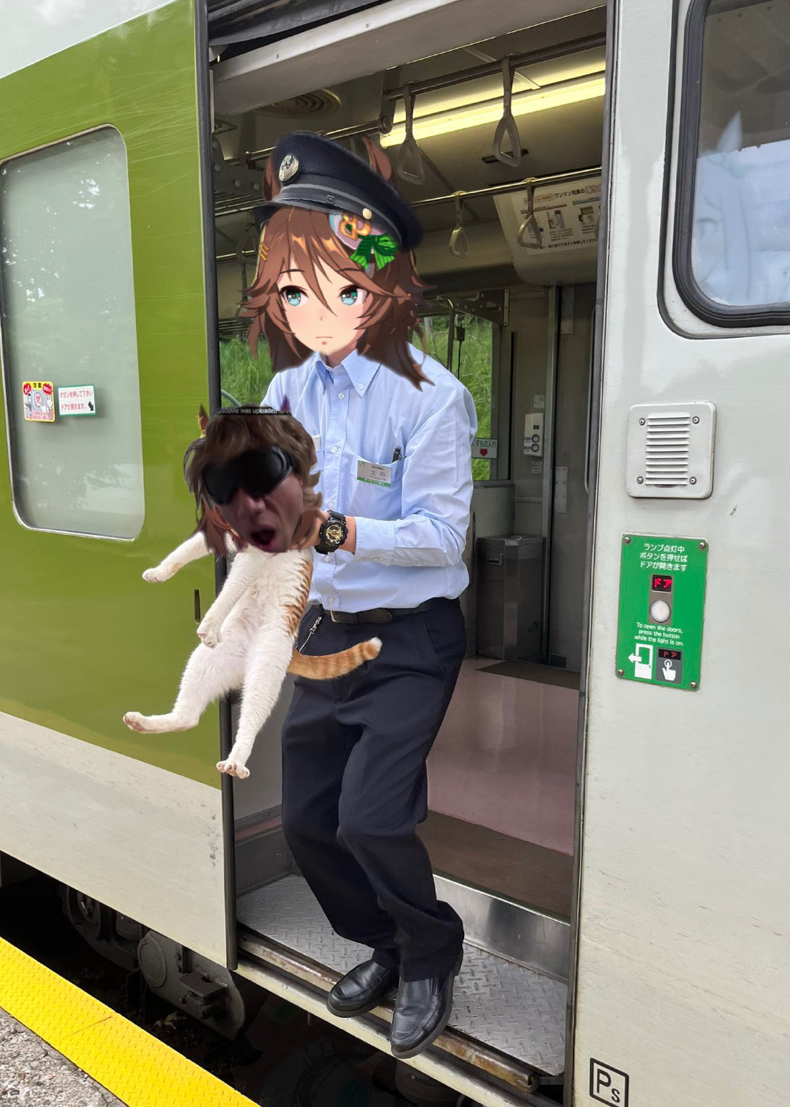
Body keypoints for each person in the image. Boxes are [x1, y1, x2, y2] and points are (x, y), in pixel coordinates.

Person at [242, 131, 476, 1059]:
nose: (313, 310)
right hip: (325, 631)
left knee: (372, 821)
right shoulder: (288, 388)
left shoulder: (432, 397)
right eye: (293, 290)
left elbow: (441, 536)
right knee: (306, 823)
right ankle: (384, 943)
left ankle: (432, 954)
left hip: (412, 641)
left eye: (335, 285)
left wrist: (337, 530)